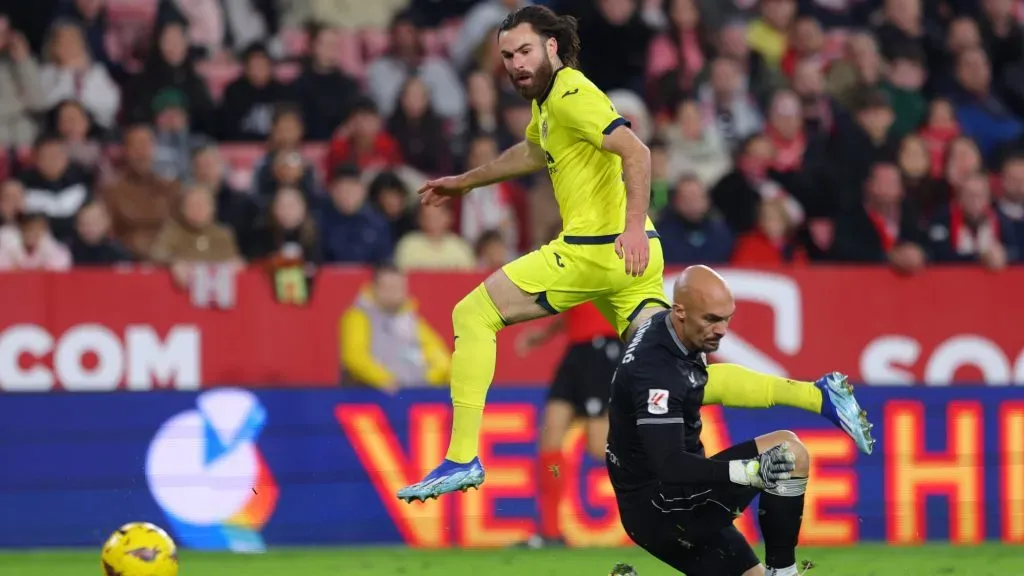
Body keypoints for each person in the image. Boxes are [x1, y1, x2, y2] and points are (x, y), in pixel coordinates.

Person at [397, 5, 669, 502]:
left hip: (598, 249)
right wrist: (464, 183)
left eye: (524, 51)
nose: (516, 64)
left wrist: (629, 227)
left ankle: (461, 457)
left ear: (551, 47)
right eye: (506, 57)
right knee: (673, 368)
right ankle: (813, 394)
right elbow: (527, 153)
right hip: (635, 257)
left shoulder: (570, 95)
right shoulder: (548, 105)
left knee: (473, 312)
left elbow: (637, 151)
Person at [606, 265, 875, 576]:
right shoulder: (657, 373)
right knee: (790, 454)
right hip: (665, 509)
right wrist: (749, 471)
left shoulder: (668, 331)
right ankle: (784, 572)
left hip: (673, 501)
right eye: (711, 319)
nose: (721, 330)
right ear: (679, 311)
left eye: (726, 318)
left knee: (785, 445)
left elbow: (717, 384)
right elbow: (669, 464)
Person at [514, 301, 621, 548]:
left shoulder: (617, 266)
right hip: (576, 354)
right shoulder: (577, 269)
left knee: (598, 447)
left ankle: (663, 491)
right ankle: (551, 532)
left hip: (602, 350)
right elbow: (572, 306)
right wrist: (542, 336)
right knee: (550, 439)